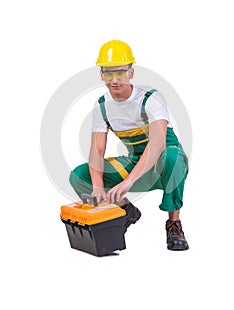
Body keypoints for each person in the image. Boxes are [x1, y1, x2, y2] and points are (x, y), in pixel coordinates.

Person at [69, 40, 189, 251]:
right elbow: (97, 150)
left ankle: (174, 224)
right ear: (101, 75)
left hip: (162, 165)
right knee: (79, 175)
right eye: (108, 73)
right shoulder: (102, 106)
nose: (114, 80)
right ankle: (124, 210)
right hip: (135, 163)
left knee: (173, 157)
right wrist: (97, 187)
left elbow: (158, 143)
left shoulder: (150, 98)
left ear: (131, 73)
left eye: (121, 73)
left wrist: (129, 182)